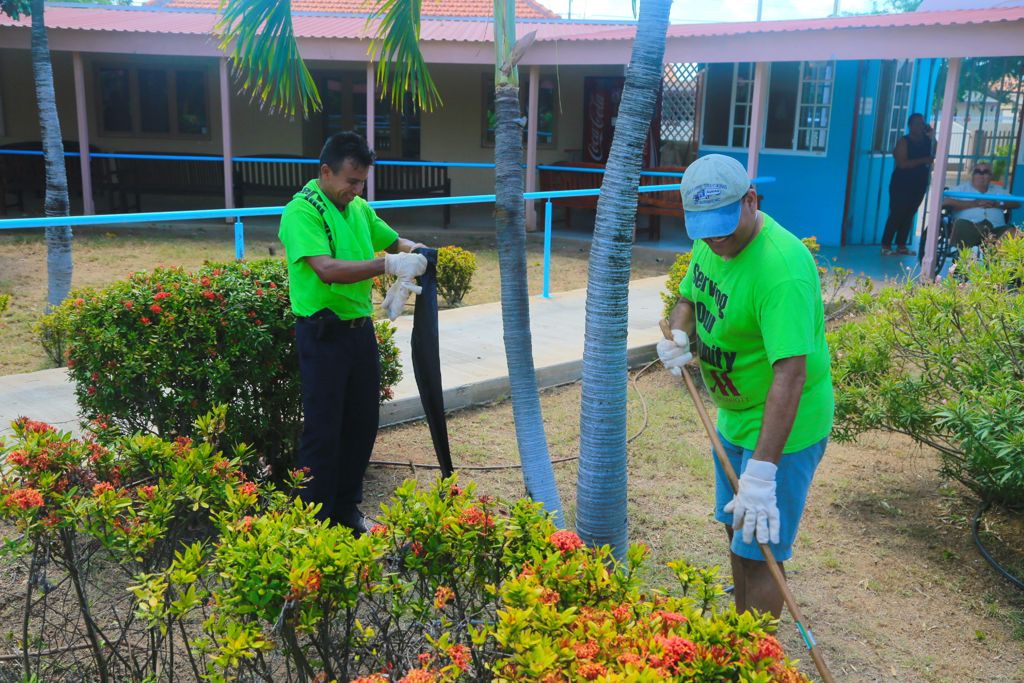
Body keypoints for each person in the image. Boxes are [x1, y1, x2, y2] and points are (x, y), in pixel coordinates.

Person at [657, 154, 834, 618]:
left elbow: (791, 376)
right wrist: (680, 333)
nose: (715, 241)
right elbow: (689, 297)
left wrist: (762, 473)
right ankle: (743, 626)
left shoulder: (783, 270)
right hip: (734, 417)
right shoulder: (710, 241)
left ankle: (752, 654)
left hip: (784, 429)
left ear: (751, 200)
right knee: (739, 533)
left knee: (760, 550)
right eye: (705, 230)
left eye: (723, 227)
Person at [278, 131, 427, 534]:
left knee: (361, 425)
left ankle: (345, 509)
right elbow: (326, 269)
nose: (356, 189)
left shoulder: (358, 207)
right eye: (350, 180)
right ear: (325, 171)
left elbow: (394, 241)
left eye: (362, 181)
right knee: (323, 430)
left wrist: (422, 255)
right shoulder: (302, 211)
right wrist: (389, 266)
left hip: (359, 333)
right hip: (322, 334)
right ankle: (312, 519)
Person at [880, 113, 935, 256]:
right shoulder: (904, 141)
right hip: (901, 184)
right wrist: (924, 160)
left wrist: (932, 136)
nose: (920, 126)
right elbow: (902, 163)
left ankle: (901, 245)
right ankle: (886, 245)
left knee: (910, 213)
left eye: (922, 123)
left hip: (919, 184)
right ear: (910, 125)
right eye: (917, 123)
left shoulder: (927, 141)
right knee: (897, 213)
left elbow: (937, 153)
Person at [945, 160, 1020, 252]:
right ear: (972, 174)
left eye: (985, 172)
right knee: (960, 224)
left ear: (991, 176)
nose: (981, 175)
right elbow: (945, 202)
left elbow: (1016, 203)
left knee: (1014, 232)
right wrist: (974, 203)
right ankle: (963, 259)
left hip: (995, 229)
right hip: (970, 227)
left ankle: (996, 261)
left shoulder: (998, 190)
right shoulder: (961, 189)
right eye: (978, 172)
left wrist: (997, 204)